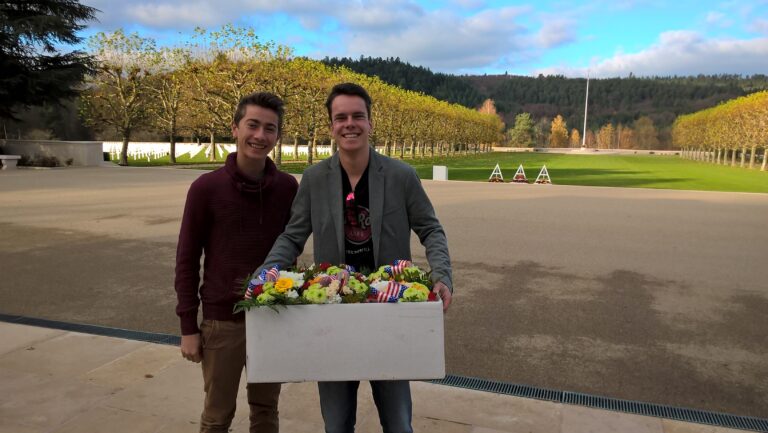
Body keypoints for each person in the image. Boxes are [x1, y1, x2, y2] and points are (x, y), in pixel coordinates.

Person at [258, 82, 453, 433]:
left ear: (370, 122)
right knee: (336, 424)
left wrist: (442, 275)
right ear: (332, 126)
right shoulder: (315, 178)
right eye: (341, 117)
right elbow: (293, 235)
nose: (350, 124)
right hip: (334, 312)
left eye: (357, 116)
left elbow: (431, 229)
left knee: (397, 423)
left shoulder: (401, 176)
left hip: (388, 310)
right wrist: (264, 275)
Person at [174, 92, 298, 433]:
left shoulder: (288, 188)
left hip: (272, 317)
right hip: (222, 323)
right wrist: (188, 326)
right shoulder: (206, 188)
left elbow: (292, 250)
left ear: (277, 136)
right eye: (253, 125)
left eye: (269, 128)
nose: (260, 135)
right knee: (217, 416)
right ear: (235, 128)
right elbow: (186, 259)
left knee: (265, 411)